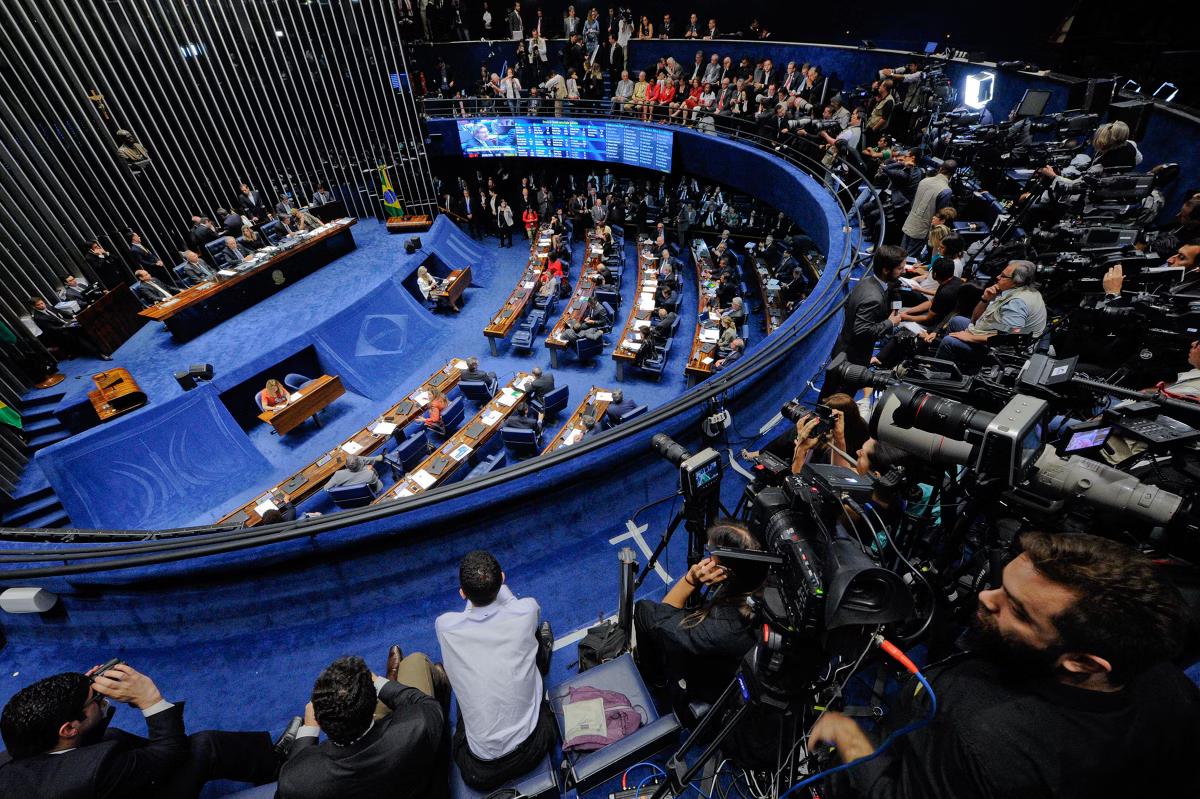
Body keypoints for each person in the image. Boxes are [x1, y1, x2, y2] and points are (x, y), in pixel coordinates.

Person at [810, 531, 1200, 799]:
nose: (984, 596)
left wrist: (848, 737)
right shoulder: (1170, 685)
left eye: (1016, 609)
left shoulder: (978, 738)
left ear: (1081, 662)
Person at [0, 662, 281, 798]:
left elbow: (77, 739)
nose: (103, 697)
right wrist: (149, 700)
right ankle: (282, 764)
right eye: (97, 699)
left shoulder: (16, 751)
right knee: (207, 746)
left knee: (114, 738)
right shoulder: (96, 769)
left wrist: (79, 694)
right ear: (69, 728)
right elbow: (171, 752)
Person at [435, 550, 553, 791]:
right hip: (536, 747)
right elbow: (514, 604)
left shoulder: (445, 626)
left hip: (479, 772)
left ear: (462, 593)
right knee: (533, 644)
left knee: (463, 689)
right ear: (502, 578)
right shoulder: (527, 609)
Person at [634, 521, 767, 717]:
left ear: (724, 572)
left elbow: (661, 616)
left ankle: (657, 680)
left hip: (711, 682)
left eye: (711, 554)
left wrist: (690, 580)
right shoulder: (761, 580)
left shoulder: (720, 628)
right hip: (732, 661)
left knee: (644, 611)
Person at [277, 651, 448, 799]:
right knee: (415, 661)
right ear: (373, 701)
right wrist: (380, 683)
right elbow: (427, 705)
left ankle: (391, 683)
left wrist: (309, 730)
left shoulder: (294, 781)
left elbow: (295, 772)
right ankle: (391, 683)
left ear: (320, 720)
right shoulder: (418, 725)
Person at [821, 245, 905, 398]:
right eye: (900, 269)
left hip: (844, 348)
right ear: (886, 270)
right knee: (838, 400)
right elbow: (862, 330)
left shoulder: (866, 281)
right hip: (852, 358)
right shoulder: (874, 298)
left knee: (830, 392)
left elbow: (849, 307)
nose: (904, 271)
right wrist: (890, 322)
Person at [932, 260, 1046, 367]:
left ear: (1016, 281)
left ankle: (938, 372)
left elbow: (1012, 335)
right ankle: (952, 360)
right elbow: (975, 320)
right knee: (957, 321)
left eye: (1003, 276)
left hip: (1001, 354)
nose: (998, 277)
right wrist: (985, 299)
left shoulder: (1017, 303)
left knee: (949, 341)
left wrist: (971, 338)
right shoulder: (1022, 291)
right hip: (995, 333)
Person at [25, 297, 112, 360]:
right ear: (34, 307)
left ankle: (105, 346)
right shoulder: (38, 317)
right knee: (79, 337)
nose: (42, 305)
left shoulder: (47, 306)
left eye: (42, 303)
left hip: (67, 324)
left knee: (87, 327)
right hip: (60, 332)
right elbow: (51, 329)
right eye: (39, 305)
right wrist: (66, 326)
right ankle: (99, 354)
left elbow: (60, 312)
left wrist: (72, 316)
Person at [900, 160, 956, 256]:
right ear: (953, 174)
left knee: (900, 255)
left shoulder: (924, 181)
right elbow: (940, 216)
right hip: (922, 230)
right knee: (908, 260)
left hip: (910, 222)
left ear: (940, 168)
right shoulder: (946, 190)